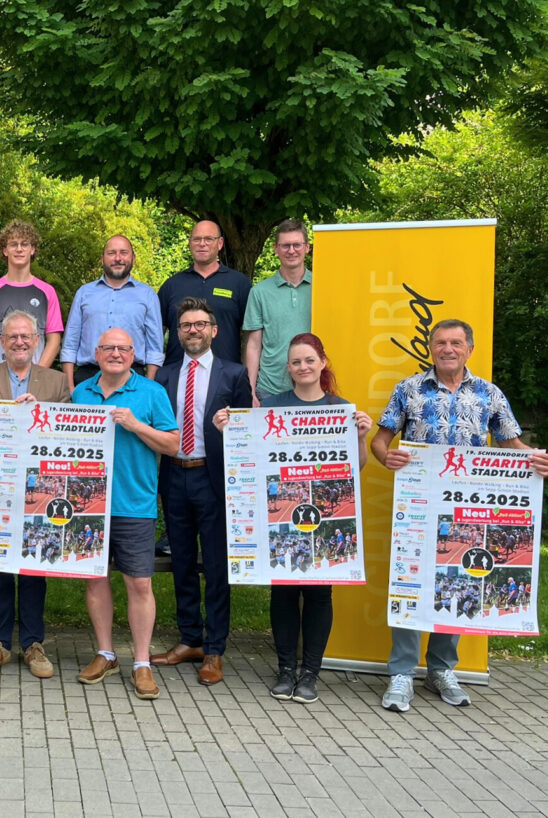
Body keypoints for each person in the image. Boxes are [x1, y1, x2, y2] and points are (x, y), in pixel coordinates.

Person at [371, 319, 548, 712]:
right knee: (410, 580)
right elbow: (381, 439)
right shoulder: (408, 389)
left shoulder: (489, 394)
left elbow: (510, 442)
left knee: (456, 579)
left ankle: (440, 668)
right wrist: (386, 456)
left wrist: (534, 459)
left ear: (469, 348)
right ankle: (402, 672)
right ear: (431, 348)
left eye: (456, 342)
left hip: (466, 505)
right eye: (441, 342)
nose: (448, 349)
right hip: (418, 505)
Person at [212, 333, 371, 703]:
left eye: (309, 361)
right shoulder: (272, 406)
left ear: (322, 363)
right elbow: (250, 451)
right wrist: (228, 429)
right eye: (296, 362)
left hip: (326, 518)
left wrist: (361, 438)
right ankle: (285, 669)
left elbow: (355, 469)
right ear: (288, 368)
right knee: (283, 591)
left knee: (319, 594)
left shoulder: (341, 407)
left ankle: (310, 673)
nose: (303, 367)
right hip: (280, 516)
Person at [0, 310, 70, 678]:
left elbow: (68, 436)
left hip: (39, 490)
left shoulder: (55, 382)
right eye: (12, 337)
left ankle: (34, 644)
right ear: (1, 342)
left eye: (26, 336)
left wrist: (44, 414)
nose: (20, 342)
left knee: (35, 566)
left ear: (37, 340)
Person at [72, 329, 179, 699]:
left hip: (135, 503)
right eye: (108, 348)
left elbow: (173, 443)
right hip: (87, 505)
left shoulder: (152, 393)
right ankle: (105, 653)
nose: (115, 353)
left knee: (140, 584)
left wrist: (135, 425)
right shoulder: (80, 392)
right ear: (96, 353)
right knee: (95, 579)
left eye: (123, 348)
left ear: (133, 355)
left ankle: (142, 662)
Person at [150, 298, 253, 686]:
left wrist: (234, 426)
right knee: (180, 564)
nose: (193, 330)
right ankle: (189, 638)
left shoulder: (235, 374)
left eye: (200, 324)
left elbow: (247, 434)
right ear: (177, 334)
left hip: (214, 479)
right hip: (174, 477)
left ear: (214, 330)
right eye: (186, 326)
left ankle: (214, 648)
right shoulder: (164, 376)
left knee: (215, 565)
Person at [61, 235, 163, 391]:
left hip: (134, 378)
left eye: (123, 252)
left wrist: (147, 386)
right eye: (111, 253)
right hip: (88, 377)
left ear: (133, 258)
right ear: (102, 259)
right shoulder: (84, 293)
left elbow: (154, 348)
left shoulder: (147, 295)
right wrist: (69, 386)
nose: (118, 258)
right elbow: (70, 343)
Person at [0, 220, 64, 367]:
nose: (19, 249)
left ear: (32, 249)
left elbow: (54, 339)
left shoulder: (47, 292)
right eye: (13, 244)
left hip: (35, 376)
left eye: (24, 244)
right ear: (5, 250)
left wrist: (38, 374)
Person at [158, 220, 251, 366]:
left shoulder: (239, 284)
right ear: (190, 243)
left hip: (225, 378)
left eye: (208, 239)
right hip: (177, 377)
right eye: (197, 239)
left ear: (220, 243)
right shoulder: (172, 285)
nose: (202, 244)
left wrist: (246, 376)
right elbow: (157, 335)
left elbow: (251, 337)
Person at [243, 219, 312, 404]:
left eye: (297, 245)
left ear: (307, 248)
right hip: (270, 390)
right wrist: (250, 390)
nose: (291, 251)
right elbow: (254, 345)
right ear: (275, 248)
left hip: (314, 389)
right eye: (285, 245)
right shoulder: (259, 292)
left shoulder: (322, 288)